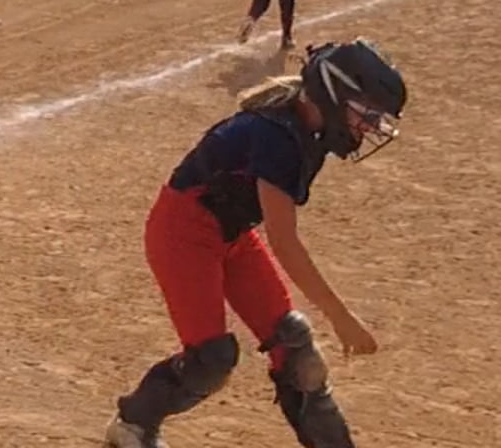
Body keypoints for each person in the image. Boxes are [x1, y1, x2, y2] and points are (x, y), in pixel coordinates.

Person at [103, 39, 406, 448]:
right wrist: (340, 317)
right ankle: (133, 425)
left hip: (231, 234)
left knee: (297, 352)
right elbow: (284, 243)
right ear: (333, 96)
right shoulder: (277, 136)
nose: (368, 127)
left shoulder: (307, 130)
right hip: (183, 233)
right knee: (211, 359)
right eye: (364, 114)